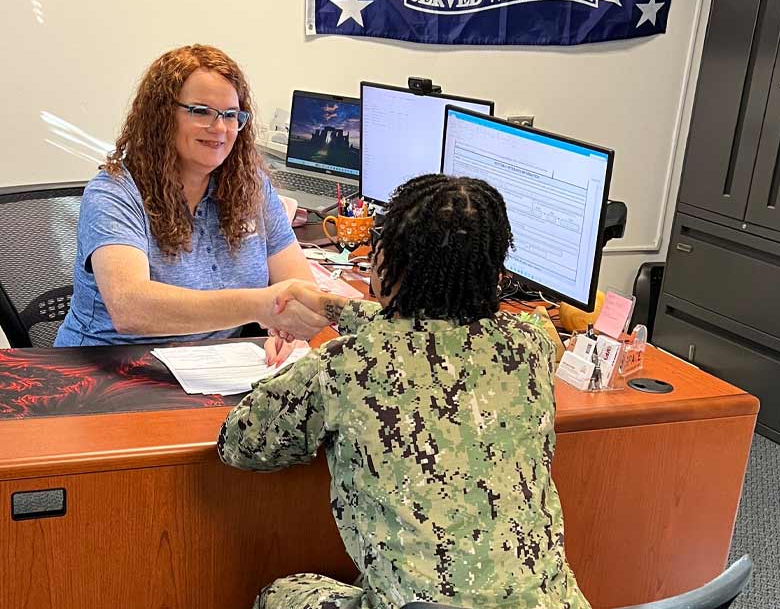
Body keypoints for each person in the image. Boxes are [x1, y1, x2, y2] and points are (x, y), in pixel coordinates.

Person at [218, 174, 591, 609]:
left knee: (281, 594)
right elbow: (431, 334)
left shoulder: (343, 366)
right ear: (498, 271)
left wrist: (341, 316)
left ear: (383, 263)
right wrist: (332, 306)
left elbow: (240, 444)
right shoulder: (533, 344)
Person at [55, 44, 325, 364]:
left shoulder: (251, 187)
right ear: (162, 116)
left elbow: (300, 290)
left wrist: (286, 334)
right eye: (201, 111)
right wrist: (260, 305)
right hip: (107, 370)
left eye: (230, 115)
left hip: (214, 369)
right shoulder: (114, 193)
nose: (220, 128)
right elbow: (130, 307)